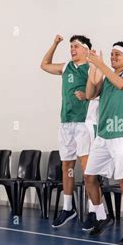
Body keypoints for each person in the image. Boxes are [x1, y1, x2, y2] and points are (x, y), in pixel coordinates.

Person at [83, 41, 123, 245]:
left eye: (117, 55)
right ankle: (101, 216)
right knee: (89, 177)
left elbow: (121, 84)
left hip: (122, 136)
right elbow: (89, 94)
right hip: (103, 136)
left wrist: (101, 64)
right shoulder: (107, 77)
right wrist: (93, 68)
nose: (113, 57)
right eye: (111, 54)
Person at [40, 34, 98, 228]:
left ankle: (93, 211)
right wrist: (55, 43)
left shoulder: (92, 67)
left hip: (84, 123)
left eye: (76, 46)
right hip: (66, 123)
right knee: (67, 167)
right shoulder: (66, 67)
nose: (72, 49)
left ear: (86, 50)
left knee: (88, 169)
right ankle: (68, 208)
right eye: (71, 46)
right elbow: (44, 64)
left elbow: (102, 91)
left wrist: (88, 96)